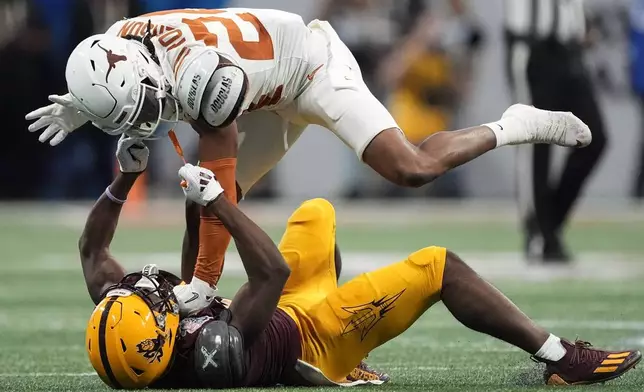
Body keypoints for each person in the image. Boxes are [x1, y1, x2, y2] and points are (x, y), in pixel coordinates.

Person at [28, 7, 591, 312]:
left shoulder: (197, 71)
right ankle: (192, 315)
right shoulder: (121, 40)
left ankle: (514, 124)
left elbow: (219, 168)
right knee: (199, 203)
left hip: (309, 69)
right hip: (260, 87)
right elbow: (116, 83)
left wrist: (206, 275)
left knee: (411, 169)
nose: (146, 117)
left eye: (145, 102)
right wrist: (83, 104)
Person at [81, 136, 640, 389]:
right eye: (152, 306)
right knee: (436, 266)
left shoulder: (139, 335)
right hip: (317, 337)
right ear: (161, 341)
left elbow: (93, 255)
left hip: (285, 309)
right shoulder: (213, 352)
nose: (150, 291)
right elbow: (269, 273)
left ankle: (357, 347)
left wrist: (125, 175)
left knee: (317, 213)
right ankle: (559, 356)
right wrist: (218, 201)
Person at [503, 0, 607, 261]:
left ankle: (549, 223)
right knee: (533, 140)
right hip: (532, 49)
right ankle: (538, 231)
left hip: (569, 52)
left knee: (594, 138)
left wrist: (580, 20)